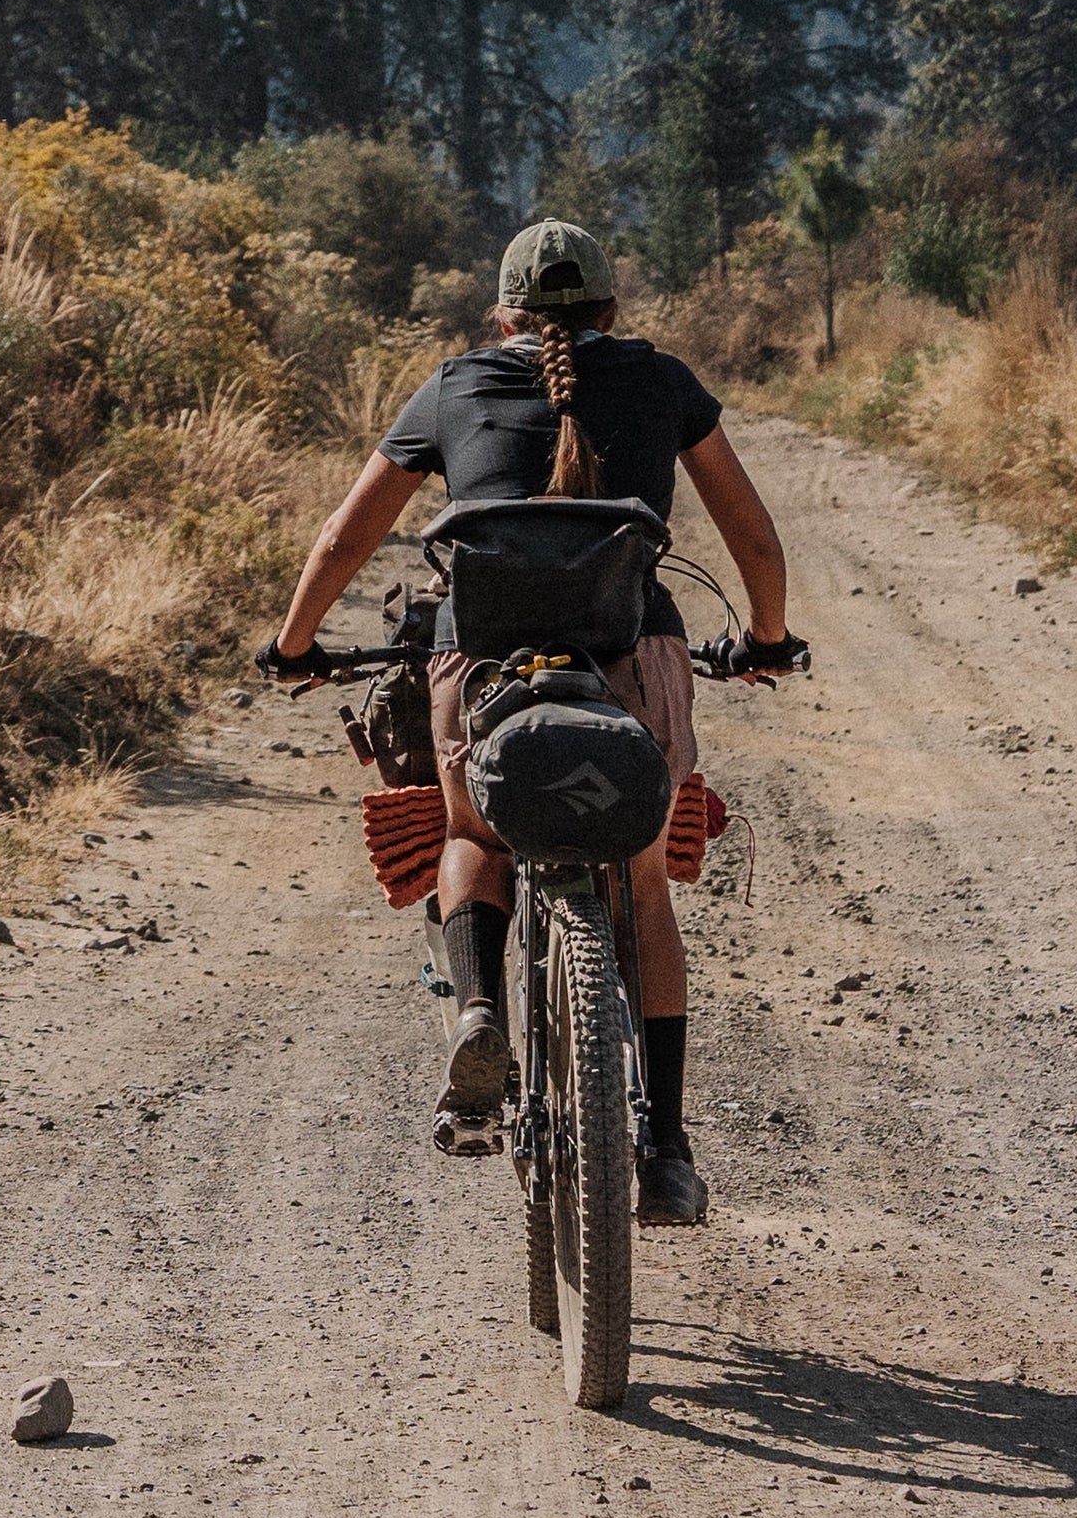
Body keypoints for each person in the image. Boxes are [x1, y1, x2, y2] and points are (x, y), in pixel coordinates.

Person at [260, 218, 795, 1226]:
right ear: (610, 309)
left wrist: (293, 646)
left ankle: (476, 1013)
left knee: (472, 831)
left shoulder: (453, 386)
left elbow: (343, 538)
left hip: (486, 667)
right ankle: (667, 1148)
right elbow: (756, 540)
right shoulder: (664, 383)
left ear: (503, 312)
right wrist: (764, 638)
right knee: (640, 888)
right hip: (634, 659)